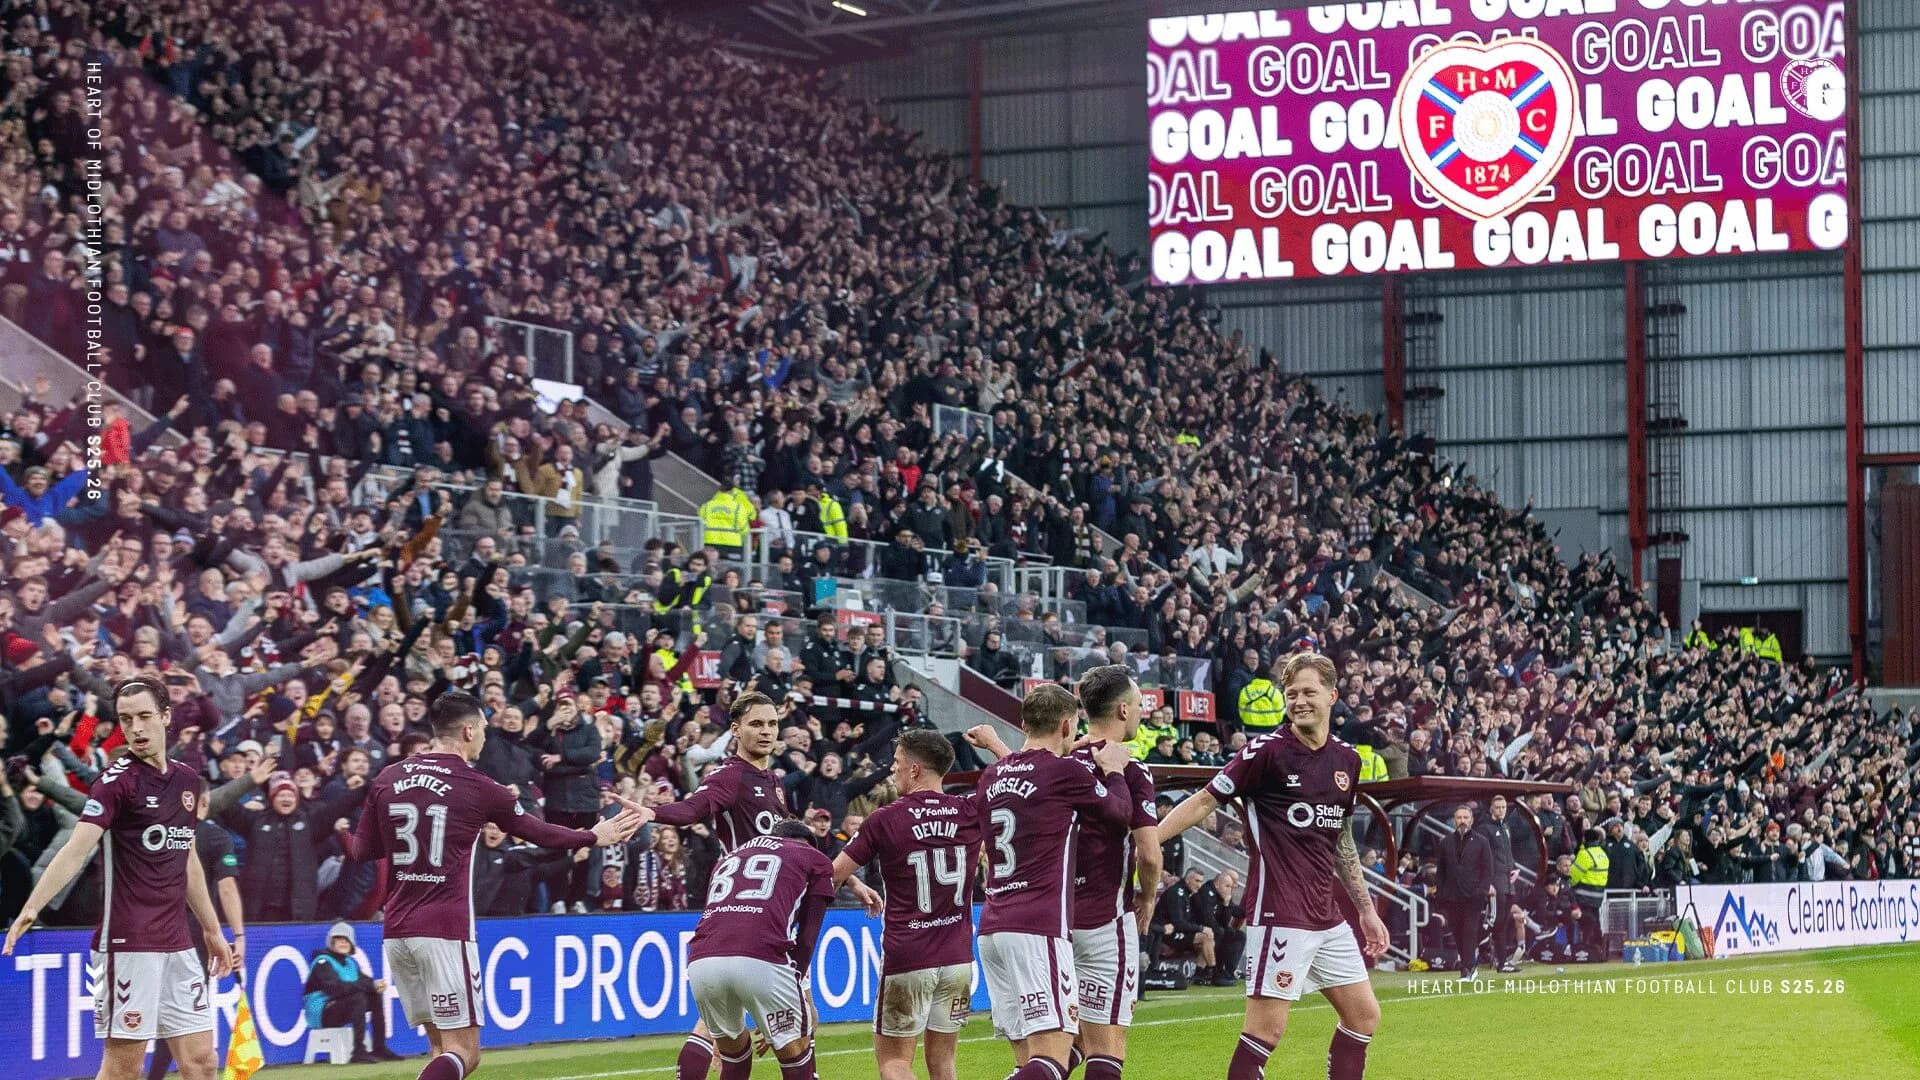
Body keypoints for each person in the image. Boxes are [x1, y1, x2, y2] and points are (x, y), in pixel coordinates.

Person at [340, 691, 646, 1080]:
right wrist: (593, 836)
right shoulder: (478, 785)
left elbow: (363, 850)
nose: (485, 735)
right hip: (445, 931)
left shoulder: (388, 777)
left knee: (439, 1049)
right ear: (468, 730)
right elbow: (539, 833)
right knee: (465, 1052)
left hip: (397, 931)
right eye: (483, 728)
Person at [1156, 653, 1386, 1080]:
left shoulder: (1347, 760)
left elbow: (1342, 839)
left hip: (1327, 916)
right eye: (1291, 693)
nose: (1298, 700)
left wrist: (1367, 910)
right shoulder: (1266, 752)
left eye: (1308, 692)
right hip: (1280, 911)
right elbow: (1206, 799)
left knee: (1363, 1017)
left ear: (1332, 696)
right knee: (1266, 1032)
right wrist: (1150, 839)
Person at [3, 676, 237, 1080]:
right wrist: (32, 906)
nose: (136, 728)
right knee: (124, 1070)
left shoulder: (185, 779)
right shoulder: (114, 784)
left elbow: (188, 858)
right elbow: (76, 848)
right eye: (127, 720)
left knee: (202, 1063)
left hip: (179, 943)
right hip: (129, 945)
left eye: (145, 716)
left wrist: (212, 929)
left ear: (166, 717)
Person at [969, 665, 1160, 1079]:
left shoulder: (1042, 765)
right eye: (1142, 705)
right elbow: (1147, 852)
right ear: (1124, 710)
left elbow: (1033, 784)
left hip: (1049, 923)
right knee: (1101, 1052)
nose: (1144, 713)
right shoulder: (1126, 768)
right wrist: (1148, 894)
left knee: (1051, 1053)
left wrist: (999, 747)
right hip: (1093, 923)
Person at [651, 691, 804, 1079]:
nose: (766, 731)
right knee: (798, 1026)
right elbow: (691, 810)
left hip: (764, 907)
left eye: (771, 723)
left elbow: (798, 844)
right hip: (751, 908)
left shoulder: (773, 781)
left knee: (719, 1029)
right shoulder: (730, 775)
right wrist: (651, 812)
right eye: (756, 724)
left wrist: (851, 877)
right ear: (735, 730)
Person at [831, 730, 978, 1080]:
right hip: (958, 959)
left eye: (896, 765)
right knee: (944, 1064)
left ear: (914, 770)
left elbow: (832, 875)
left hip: (908, 957)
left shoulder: (884, 818)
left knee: (895, 1063)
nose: (892, 772)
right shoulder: (970, 810)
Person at [685, 818, 837, 1080]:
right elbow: (807, 938)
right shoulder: (814, 858)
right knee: (797, 1053)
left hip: (701, 961)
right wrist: (793, 989)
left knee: (734, 1058)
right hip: (761, 960)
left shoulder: (730, 857)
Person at [302, 921, 398, 1063]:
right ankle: (358, 1051)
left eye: (347, 940)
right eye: (339, 939)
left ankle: (379, 1047)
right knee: (358, 997)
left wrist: (372, 986)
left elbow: (367, 982)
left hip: (340, 1005)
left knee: (374, 996)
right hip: (321, 1012)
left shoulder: (350, 963)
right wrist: (365, 985)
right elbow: (335, 989)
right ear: (331, 942)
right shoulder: (323, 962)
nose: (343, 943)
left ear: (352, 944)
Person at [1434, 804, 1495, 979]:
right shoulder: (1445, 842)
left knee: (1469, 931)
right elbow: (1441, 872)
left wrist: (1481, 891)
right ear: (1454, 820)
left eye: (1465, 818)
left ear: (1472, 820)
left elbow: (1488, 870)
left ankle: (1467, 968)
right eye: (1459, 818)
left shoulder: (1482, 841)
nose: (1462, 821)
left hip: (1474, 897)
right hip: (1452, 897)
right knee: (1458, 933)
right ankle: (1469, 964)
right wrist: (1441, 894)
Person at [1478, 795, 1520, 971]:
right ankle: (1468, 951)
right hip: (1495, 883)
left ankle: (1502, 962)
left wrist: (1515, 868)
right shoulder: (1484, 829)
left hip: (1508, 882)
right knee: (1495, 922)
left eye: (1504, 807)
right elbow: (1481, 857)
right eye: (1498, 807)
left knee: (1502, 922)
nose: (1501, 810)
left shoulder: (1506, 828)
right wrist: (1487, 882)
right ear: (1491, 809)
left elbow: (1507, 853)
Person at [1192, 870, 1246, 986]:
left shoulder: (1223, 893)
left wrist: (1250, 911)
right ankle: (1215, 972)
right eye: (1229, 885)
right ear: (1218, 883)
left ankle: (1228, 972)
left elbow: (1233, 913)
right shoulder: (1206, 893)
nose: (1233, 887)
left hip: (1212, 928)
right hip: (1197, 928)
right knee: (1220, 933)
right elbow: (1207, 919)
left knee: (1239, 935)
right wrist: (1226, 906)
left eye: (1232, 885)